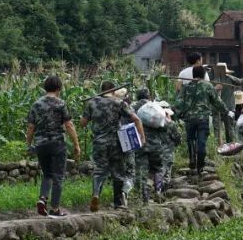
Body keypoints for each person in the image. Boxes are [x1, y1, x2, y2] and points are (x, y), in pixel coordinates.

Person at [81, 81, 144, 211]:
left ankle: (96, 194)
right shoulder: (119, 103)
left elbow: (83, 123)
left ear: (101, 89)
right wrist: (141, 137)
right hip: (117, 143)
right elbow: (136, 119)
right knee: (118, 172)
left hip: (99, 142)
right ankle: (118, 202)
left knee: (99, 170)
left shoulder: (91, 103)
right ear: (113, 90)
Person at [26, 75, 81, 217]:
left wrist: (29, 144)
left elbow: (31, 127)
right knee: (58, 176)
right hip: (57, 144)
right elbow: (69, 125)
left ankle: (43, 198)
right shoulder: (61, 104)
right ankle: (55, 209)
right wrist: (76, 144)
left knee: (47, 174)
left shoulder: (36, 104)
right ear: (58, 88)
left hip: (41, 144)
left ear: (45, 87)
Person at [174, 66, 228, 172]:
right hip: (203, 119)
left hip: (189, 119)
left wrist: (175, 114)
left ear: (193, 75)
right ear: (203, 75)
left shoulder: (186, 87)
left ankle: (192, 160)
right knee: (201, 141)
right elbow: (217, 101)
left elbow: (179, 103)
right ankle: (200, 164)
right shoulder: (208, 86)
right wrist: (226, 111)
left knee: (190, 140)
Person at [131, 89, 169, 204]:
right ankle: (157, 192)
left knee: (141, 169)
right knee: (157, 169)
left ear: (137, 97)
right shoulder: (156, 108)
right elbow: (164, 127)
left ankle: (143, 196)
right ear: (149, 96)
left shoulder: (132, 108)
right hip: (155, 145)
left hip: (139, 144)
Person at [213, 62, 236, 144]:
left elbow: (241, 81)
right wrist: (215, 88)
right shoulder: (214, 81)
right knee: (218, 129)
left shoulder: (230, 79)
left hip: (228, 107)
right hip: (218, 108)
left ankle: (230, 145)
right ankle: (219, 145)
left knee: (229, 128)